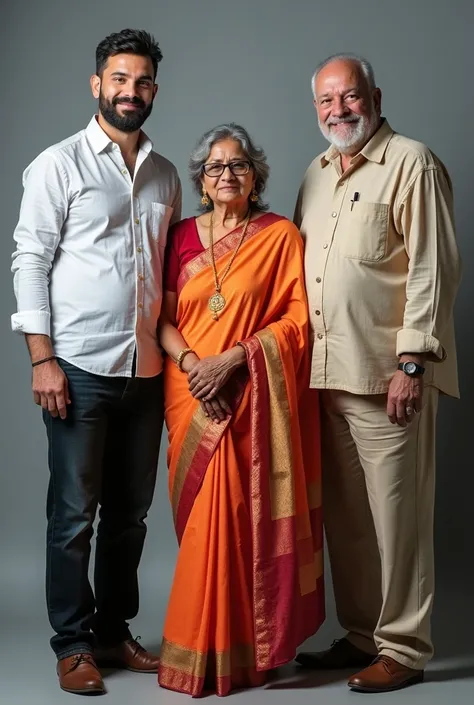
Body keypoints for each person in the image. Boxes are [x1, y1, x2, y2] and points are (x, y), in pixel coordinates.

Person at [11, 29, 181, 696]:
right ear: (97, 85)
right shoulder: (57, 165)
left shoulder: (165, 174)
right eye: (119, 79)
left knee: (130, 514)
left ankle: (113, 630)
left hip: (145, 371)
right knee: (74, 513)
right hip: (76, 366)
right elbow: (30, 260)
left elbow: (165, 274)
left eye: (141, 82)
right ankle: (73, 643)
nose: (129, 92)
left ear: (153, 92)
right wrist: (41, 358)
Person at [294, 54, 461, 693]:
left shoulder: (412, 163)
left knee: (399, 521)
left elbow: (432, 269)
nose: (339, 110)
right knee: (350, 523)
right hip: (326, 377)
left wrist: (412, 363)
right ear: (317, 108)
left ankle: (405, 647)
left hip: (387, 377)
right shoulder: (315, 173)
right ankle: (363, 634)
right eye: (327, 101)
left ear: (375, 96)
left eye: (350, 97)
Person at [156, 123, 324, 697]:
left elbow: (297, 321)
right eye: (215, 167)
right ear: (202, 180)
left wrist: (232, 359)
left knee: (240, 520)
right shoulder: (180, 237)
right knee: (206, 519)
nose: (227, 175)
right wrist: (193, 367)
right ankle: (199, 648)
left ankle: (248, 651)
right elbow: (163, 320)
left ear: (256, 176)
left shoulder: (279, 236)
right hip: (191, 393)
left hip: (249, 391)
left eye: (239, 165)